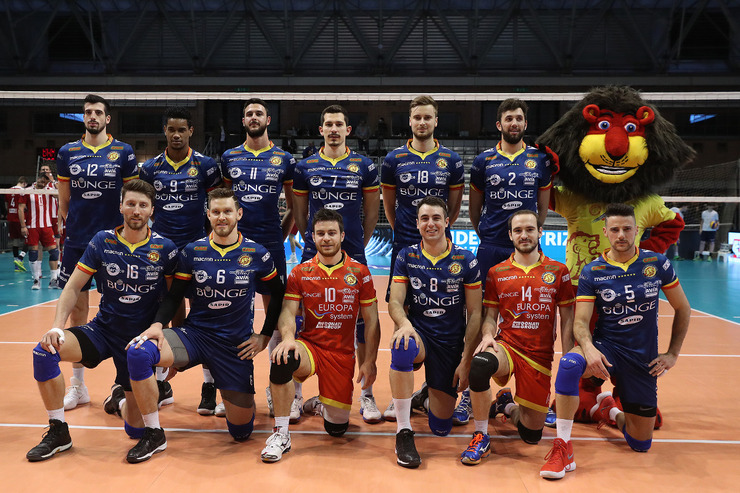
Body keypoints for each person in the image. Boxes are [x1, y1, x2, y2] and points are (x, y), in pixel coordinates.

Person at [125, 187, 284, 463]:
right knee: (138, 351)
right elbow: (174, 296)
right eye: (216, 212)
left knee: (241, 432)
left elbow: (278, 293)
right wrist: (158, 325)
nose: (222, 217)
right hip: (195, 335)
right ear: (208, 214)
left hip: (234, 346)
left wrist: (265, 335)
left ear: (239, 214)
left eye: (227, 211)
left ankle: (225, 386)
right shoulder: (193, 251)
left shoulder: (256, 252)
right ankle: (153, 432)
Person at [25, 179, 178, 462]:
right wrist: (57, 326)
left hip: (140, 340)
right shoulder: (102, 241)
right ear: (120, 206)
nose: (136, 210)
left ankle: (118, 400)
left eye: (142, 205)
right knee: (44, 352)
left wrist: (172, 343)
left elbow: (173, 299)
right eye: (130, 204)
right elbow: (73, 287)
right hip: (104, 329)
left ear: (151, 210)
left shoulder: (165, 248)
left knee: (135, 429)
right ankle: (58, 431)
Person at [540, 203, 691, 479]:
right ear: (606, 232)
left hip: (642, 358)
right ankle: (563, 446)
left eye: (627, 229)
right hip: (606, 349)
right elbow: (580, 322)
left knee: (640, 443)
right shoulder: (593, 270)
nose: (621, 235)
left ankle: (609, 411)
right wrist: (589, 349)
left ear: (637, 230)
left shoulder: (656, 263)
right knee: (570, 364)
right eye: (615, 229)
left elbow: (683, 308)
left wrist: (672, 353)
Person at [260, 208, 380, 463]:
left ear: (342, 236)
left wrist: (370, 361)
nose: (326, 238)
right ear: (312, 237)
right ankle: (281, 434)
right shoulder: (300, 272)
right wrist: (288, 339)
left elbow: (372, 321)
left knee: (337, 429)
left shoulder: (359, 272)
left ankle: (319, 403)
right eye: (321, 233)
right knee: (282, 359)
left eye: (332, 233)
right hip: (311, 347)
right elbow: (288, 312)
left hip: (342, 355)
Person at [459, 209, 575, 465]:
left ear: (540, 232)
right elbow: (490, 317)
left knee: (531, 435)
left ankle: (507, 405)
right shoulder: (497, 272)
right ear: (510, 235)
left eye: (530, 229)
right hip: (508, 347)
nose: (524, 235)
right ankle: (481, 435)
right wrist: (487, 335)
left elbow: (568, 319)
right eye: (518, 230)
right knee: (480, 364)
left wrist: (569, 358)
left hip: (539, 356)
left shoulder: (558, 271)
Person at [292, 104, 382, 422]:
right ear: (321, 130)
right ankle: (296, 394)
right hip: (313, 251)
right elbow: (300, 214)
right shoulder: (305, 167)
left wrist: (357, 243)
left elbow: (372, 212)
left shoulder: (364, 166)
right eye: (328, 124)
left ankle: (367, 395)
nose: (333, 129)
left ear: (348, 130)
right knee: (302, 319)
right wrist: (312, 240)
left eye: (339, 124)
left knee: (361, 322)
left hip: (353, 249)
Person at [381, 95, 465, 422]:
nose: (422, 122)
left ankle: (432, 388)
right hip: (405, 244)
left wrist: (435, 231)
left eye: (427, 117)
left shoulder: (451, 160)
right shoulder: (394, 159)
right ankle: (400, 396)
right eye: (417, 117)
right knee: (402, 314)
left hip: (439, 248)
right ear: (410, 121)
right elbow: (390, 205)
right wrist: (406, 232)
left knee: (446, 312)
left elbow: (453, 207)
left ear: (435, 121)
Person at [55, 94, 139, 411]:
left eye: (98, 112)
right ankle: (78, 386)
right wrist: (76, 227)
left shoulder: (123, 152)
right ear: (84, 117)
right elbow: (65, 200)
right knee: (78, 310)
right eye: (88, 112)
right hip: (78, 240)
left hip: (115, 242)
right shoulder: (67, 152)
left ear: (107, 118)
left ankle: (123, 382)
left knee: (123, 308)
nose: (93, 117)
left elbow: (131, 196)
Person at [387, 197, 482, 468]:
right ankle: (403, 431)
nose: (431, 224)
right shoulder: (406, 255)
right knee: (402, 345)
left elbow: (475, 313)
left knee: (441, 428)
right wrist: (405, 324)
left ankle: (426, 395)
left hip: (450, 342)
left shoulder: (465, 259)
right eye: (425, 219)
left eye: (437, 218)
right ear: (417, 223)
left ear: (447, 222)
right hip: (420, 334)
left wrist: (466, 360)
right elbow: (395, 302)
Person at [140, 106, 222, 414]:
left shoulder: (206, 165)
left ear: (190, 131)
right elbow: (143, 205)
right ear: (165, 131)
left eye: (182, 130)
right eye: (171, 129)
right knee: (163, 314)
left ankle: (209, 385)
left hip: (198, 251)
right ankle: (162, 383)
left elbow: (217, 206)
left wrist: (210, 245)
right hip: (162, 253)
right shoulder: (150, 168)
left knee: (204, 315)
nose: (176, 134)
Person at [221, 97, 298, 420]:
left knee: (277, 315)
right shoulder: (229, 157)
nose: (254, 117)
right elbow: (224, 202)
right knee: (231, 313)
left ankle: (278, 385)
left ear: (268, 120)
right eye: (249, 114)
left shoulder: (284, 159)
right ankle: (230, 386)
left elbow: (293, 206)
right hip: (235, 247)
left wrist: (278, 235)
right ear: (243, 121)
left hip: (270, 244)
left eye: (259, 113)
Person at [469, 98, 558, 289]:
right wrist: (487, 236)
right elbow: (474, 210)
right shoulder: (483, 160)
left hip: (527, 246)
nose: (514, 123)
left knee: (531, 303)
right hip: (491, 245)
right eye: (509, 119)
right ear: (499, 125)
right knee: (484, 303)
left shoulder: (540, 159)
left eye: (519, 118)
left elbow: (543, 207)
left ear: (525, 124)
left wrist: (531, 233)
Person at [18, 173, 61, 290]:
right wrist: (23, 226)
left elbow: (61, 194)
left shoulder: (49, 190)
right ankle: (36, 280)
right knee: (33, 253)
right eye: (42, 180)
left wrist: (53, 181)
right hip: (32, 227)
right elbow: (21, 208)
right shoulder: (27, 191)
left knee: (54, 252)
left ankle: (53, 280)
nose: (43, 183)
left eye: (46, 181)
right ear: (37, 178)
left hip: (47, 226)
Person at [5, 176, 29, 271]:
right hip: (21, 219)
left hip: (11, 218)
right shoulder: (23, 191)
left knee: (15, 240)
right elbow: (24, 206)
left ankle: (16, 264)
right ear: (24, 183)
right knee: (29, 239)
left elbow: (6, 205)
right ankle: (20, 258)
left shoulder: (8, 190)